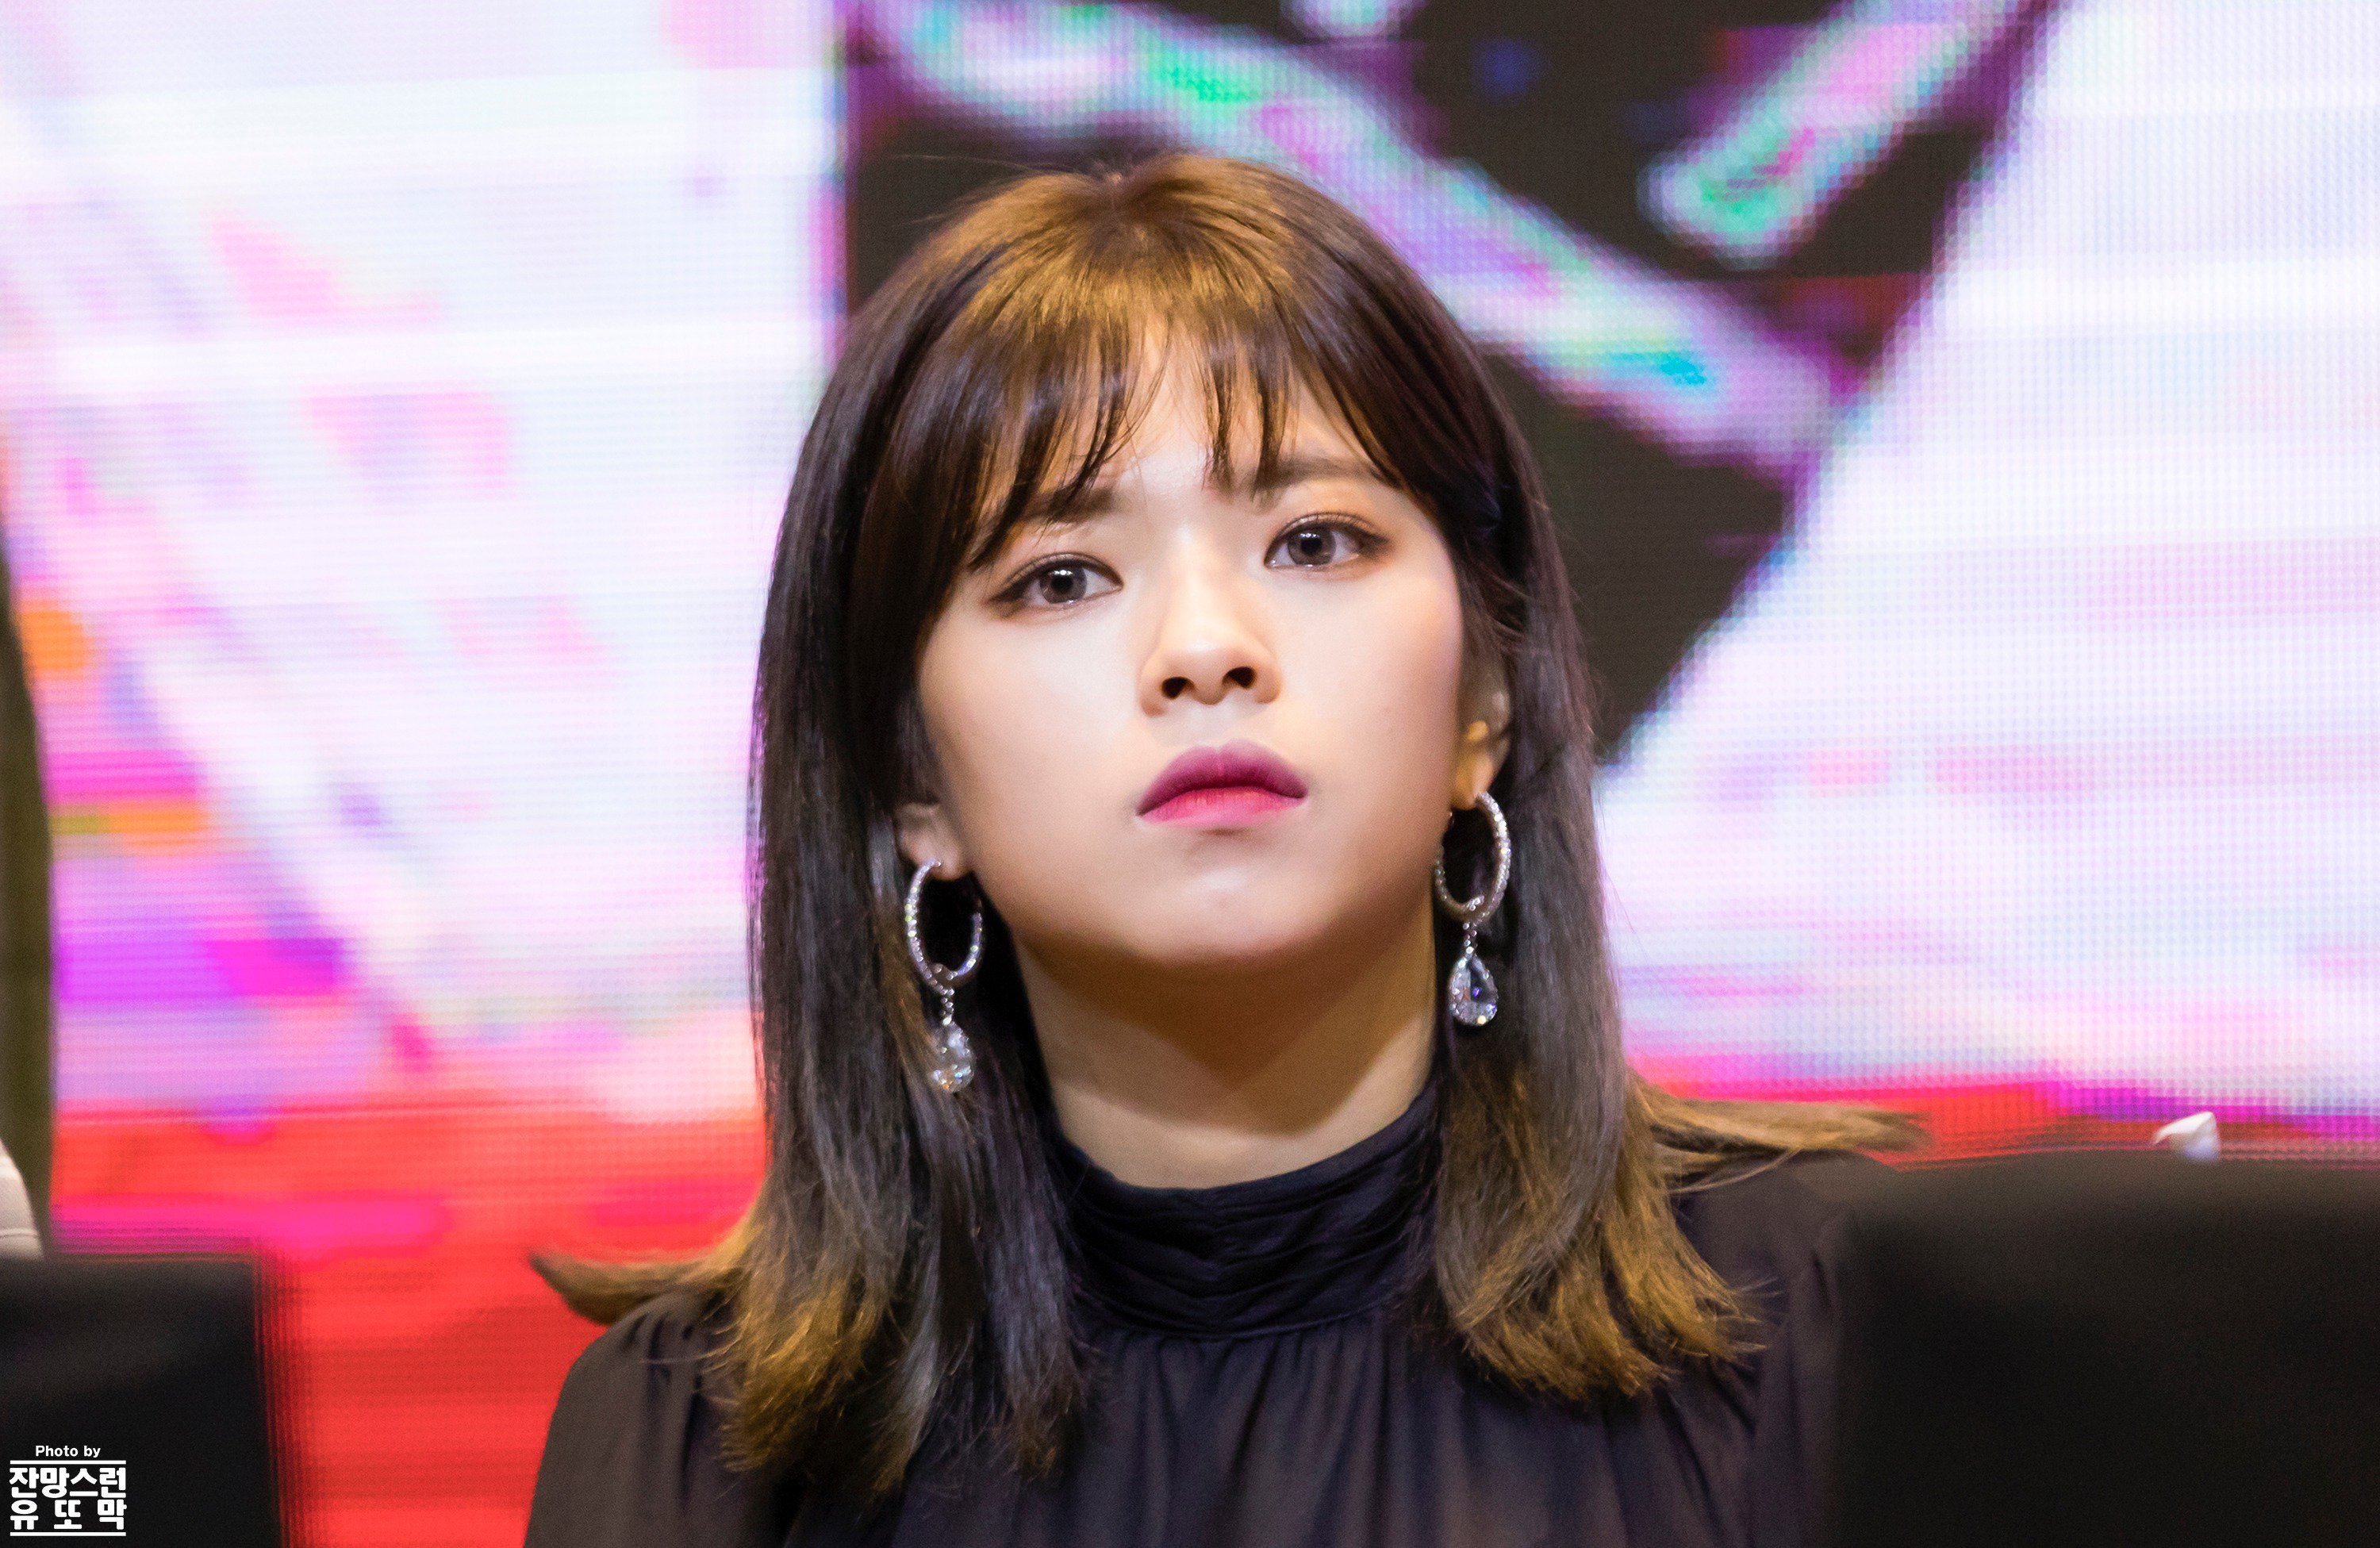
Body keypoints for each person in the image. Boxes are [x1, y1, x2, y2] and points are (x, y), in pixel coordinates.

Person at [521, 153, 1917, 1548]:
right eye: (1061, 577)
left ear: (1484, 699)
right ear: (911, 778)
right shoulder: (700, 1452)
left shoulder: (1839, 1337)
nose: (1204, 649)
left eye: (1314, 543)